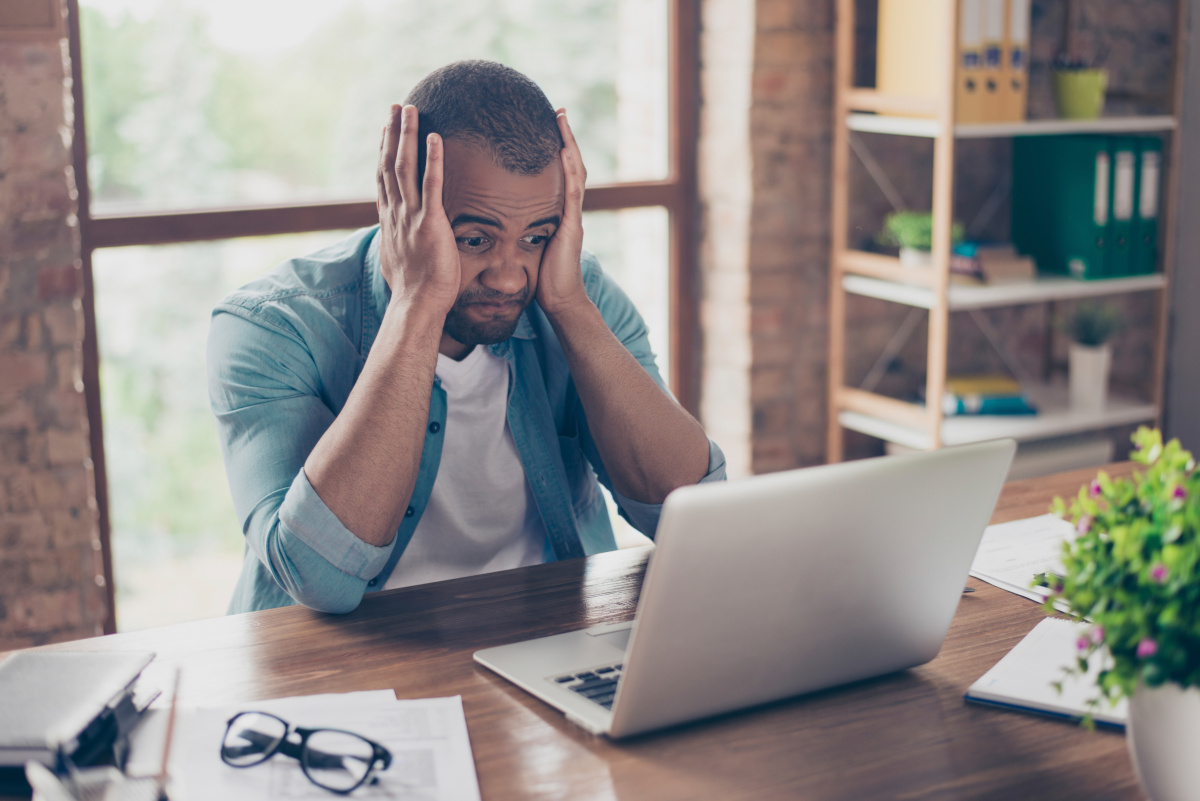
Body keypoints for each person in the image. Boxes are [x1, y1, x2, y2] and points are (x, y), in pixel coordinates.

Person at [207, 61, 725, 614]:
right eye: (475, 239)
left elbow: (692, 517)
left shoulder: (576, 291)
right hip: (343, 667)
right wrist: (416, 305)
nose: (508, 276)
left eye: (534, 236)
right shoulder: (271, 326)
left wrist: (571, 309)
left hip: (542, 640)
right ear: (397, 201)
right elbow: (320, 582)